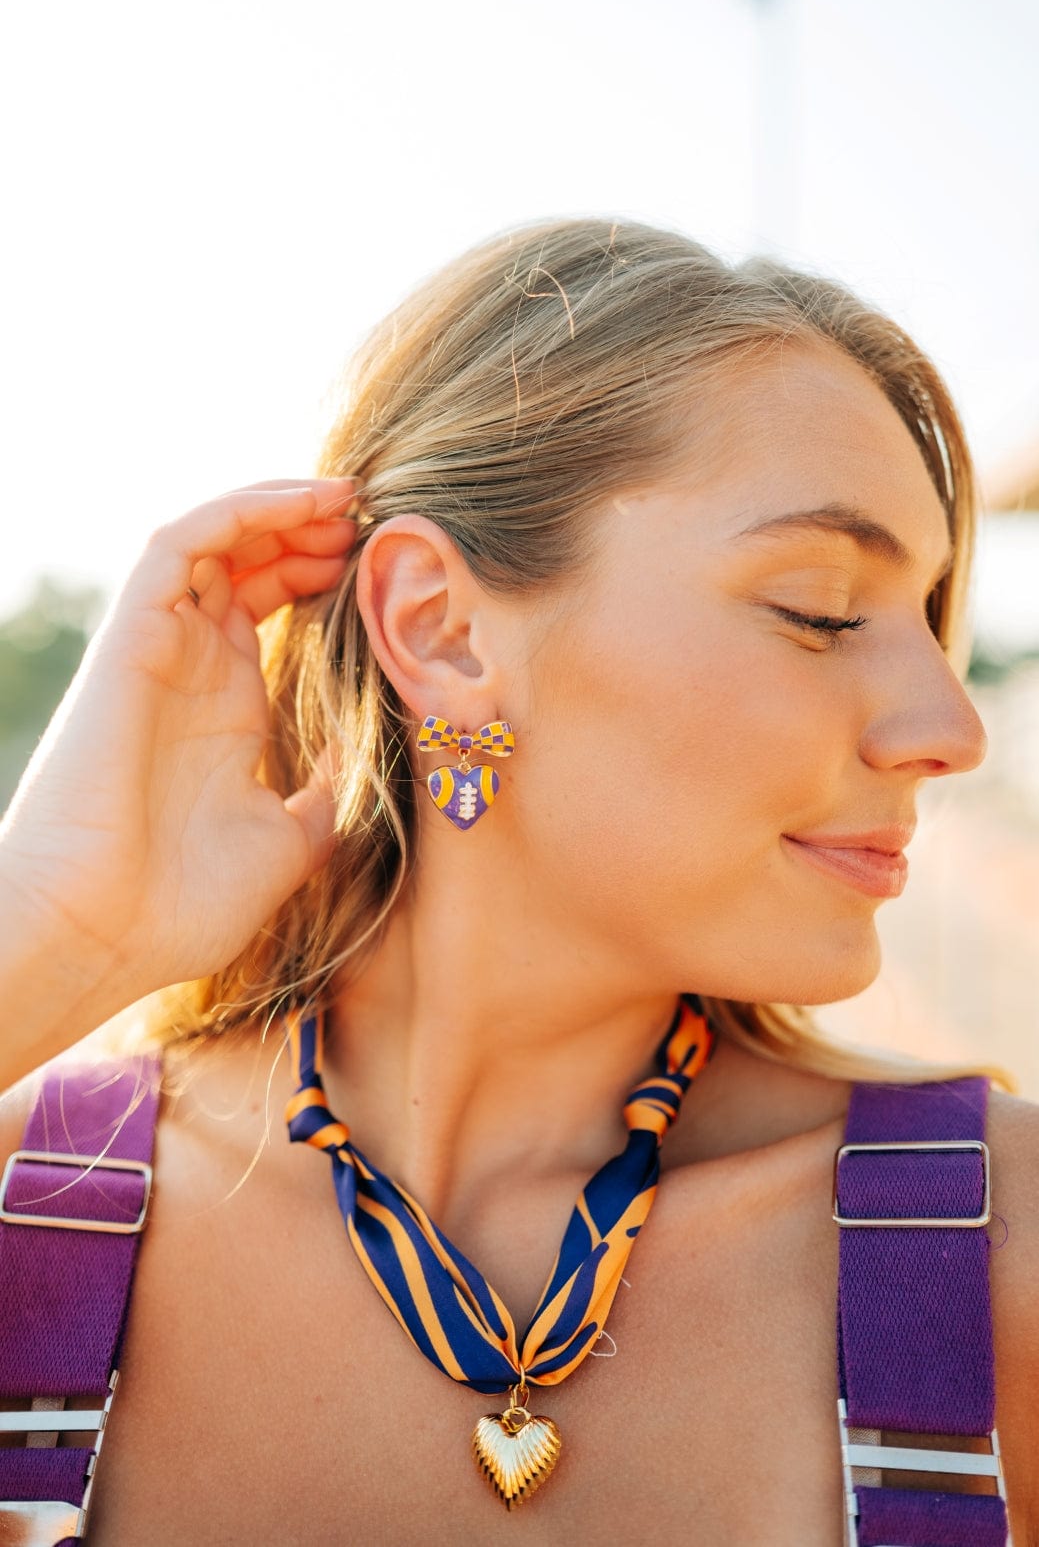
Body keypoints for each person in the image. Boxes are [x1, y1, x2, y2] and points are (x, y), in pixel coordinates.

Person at [0, 217, 1036, 1544]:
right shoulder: (38, 1215)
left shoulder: (994, 1247)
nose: (951, 729)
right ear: (440, 629)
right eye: (823, 609)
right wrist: (53, 931)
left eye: (930, 622)